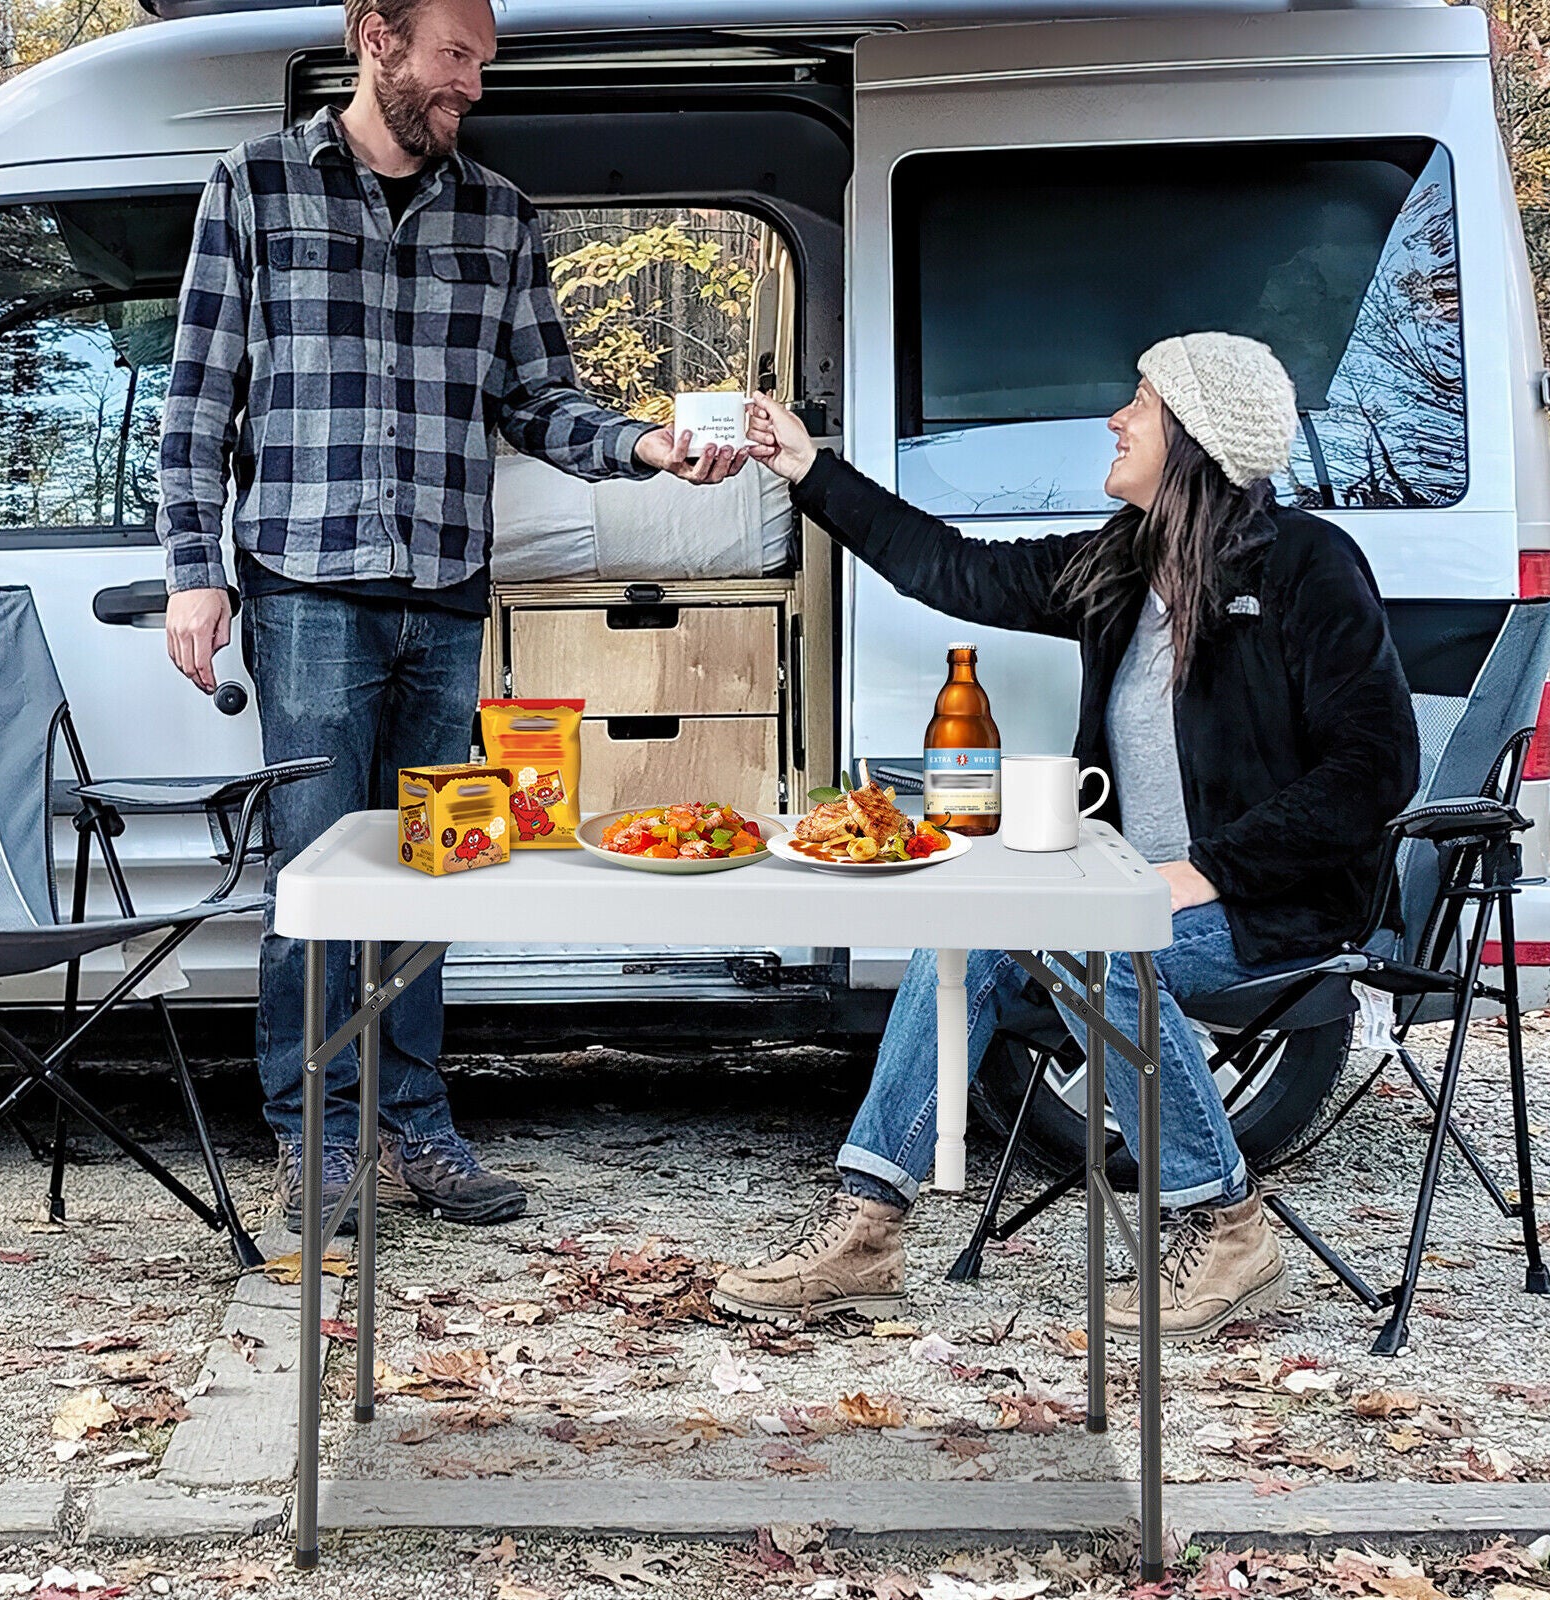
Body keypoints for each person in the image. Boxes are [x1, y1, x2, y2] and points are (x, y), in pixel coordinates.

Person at [157, 0, 746, 1236]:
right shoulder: (253, 187)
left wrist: (645, 443)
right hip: (304, 589)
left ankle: (416, 1124)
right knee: (316, 878)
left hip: (441, 595)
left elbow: (542, 402)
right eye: (455, 56)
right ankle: (316, 1140)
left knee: (434, 869)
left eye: (481, 62)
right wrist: (193, 571)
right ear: (377, 36)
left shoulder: (500, 215)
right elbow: (199, 398)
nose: (472, 85)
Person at [715, 332, 1420, 1341]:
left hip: (1275, 911)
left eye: (1139, 401)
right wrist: (805, 466)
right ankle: (867, 1225)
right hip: (1143, 897)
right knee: (976, 929)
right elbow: (949, 569)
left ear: (1193, 435)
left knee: (1088, 942)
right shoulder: (1122, 565)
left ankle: (1226, 1227)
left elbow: (1372, 771)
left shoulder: (1308, 565)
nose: (1116, 418)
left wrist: (1203, 871)